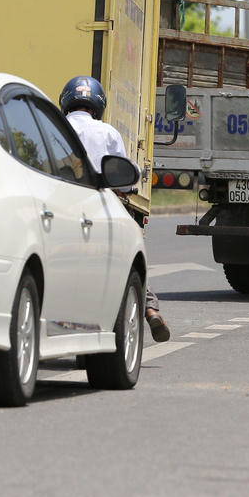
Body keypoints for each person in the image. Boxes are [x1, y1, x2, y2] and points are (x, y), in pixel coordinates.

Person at [60, 75, 171, 342]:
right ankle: (151, 310)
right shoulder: (108, 132)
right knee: (131, 261)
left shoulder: (56, 128)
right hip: (102, 210)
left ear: (65, 102)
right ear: (97, 104)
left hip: (61, 208)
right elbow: (123, 175)